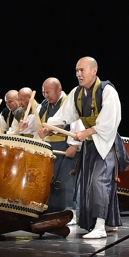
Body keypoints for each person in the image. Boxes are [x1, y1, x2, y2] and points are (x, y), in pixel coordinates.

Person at [38, 57, 129, 239]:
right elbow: (65, 115)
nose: (78, 74)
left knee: (99, 182)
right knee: (89, 184)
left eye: (82, 70)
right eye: (77, 70)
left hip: (106, 143)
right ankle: (109, 222)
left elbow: (110, 121)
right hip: (90, 144)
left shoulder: (107, 91)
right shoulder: (77, 93)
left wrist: (87, 131)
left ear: (94, 71)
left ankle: (100, 226)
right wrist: (49, 128)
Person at [39, 77, 84, 224]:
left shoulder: (68, 102)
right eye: (44, 92)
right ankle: (53, 212)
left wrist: (74, 146)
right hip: (50, 148)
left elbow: (77, 123)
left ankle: (70, 212)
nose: (46, 95)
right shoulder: (44, 106)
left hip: (66, 146)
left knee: (66, 181)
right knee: (52, 182)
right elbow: (45, 124)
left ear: (59, 90)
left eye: (48, 92)